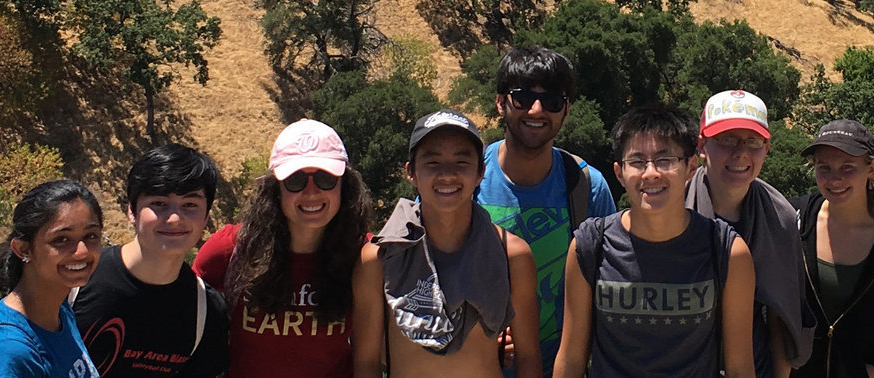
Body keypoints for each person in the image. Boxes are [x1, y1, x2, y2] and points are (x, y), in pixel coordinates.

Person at [555, 106, 756, 378]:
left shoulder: (726, 251)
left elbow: (740, 367)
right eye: (637, 162)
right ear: (619, 172)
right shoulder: (590, 246)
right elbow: (571, 360)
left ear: (691, 167)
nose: (651, 173)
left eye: (665, 160)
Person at [352, 110, 543, 377]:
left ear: (480, 173)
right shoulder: (378, 260)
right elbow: (366, 363)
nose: (447, 175)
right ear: (411, 172)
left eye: (461, 162)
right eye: (432, 162)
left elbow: (529, 357)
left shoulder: (512, 256)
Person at [476, 46, 619, 375]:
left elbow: (609, 286)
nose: (537, 110)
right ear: (501, 103)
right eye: (522, 98)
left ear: (566, 110)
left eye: (553, 101)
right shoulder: (465, 177)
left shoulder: (586, 187)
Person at [195, 120, 375, 378]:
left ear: (344, 187)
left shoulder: (364, 257)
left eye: (325, 179)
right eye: (295, 181)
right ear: (275, 190)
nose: (311, 192)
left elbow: (368, 357)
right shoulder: (231, 250)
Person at [683, 90, 812, 378]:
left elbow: (782, 317)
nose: (740, 152)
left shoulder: (781, 217)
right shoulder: (673, 206)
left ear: (767, 148)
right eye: (727, 139)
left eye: (752, 141)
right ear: (702, 145)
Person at [73, 144, 232, 377]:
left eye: (190, 205)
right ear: (131, 211)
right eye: (159, 203)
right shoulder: (75, 279)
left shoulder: (206, 312)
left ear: (206, 216)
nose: (175, 218)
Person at [788, 119, 874, 378]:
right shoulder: (794, 219)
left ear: (871, 169)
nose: (835, 179)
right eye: (824, 167)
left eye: (848, 167)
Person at [0, 180, 108, 378]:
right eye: (61, 239)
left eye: (91, 235)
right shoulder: (6, 353)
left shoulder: (60, 311)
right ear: (24, 249)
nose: (82, 251)